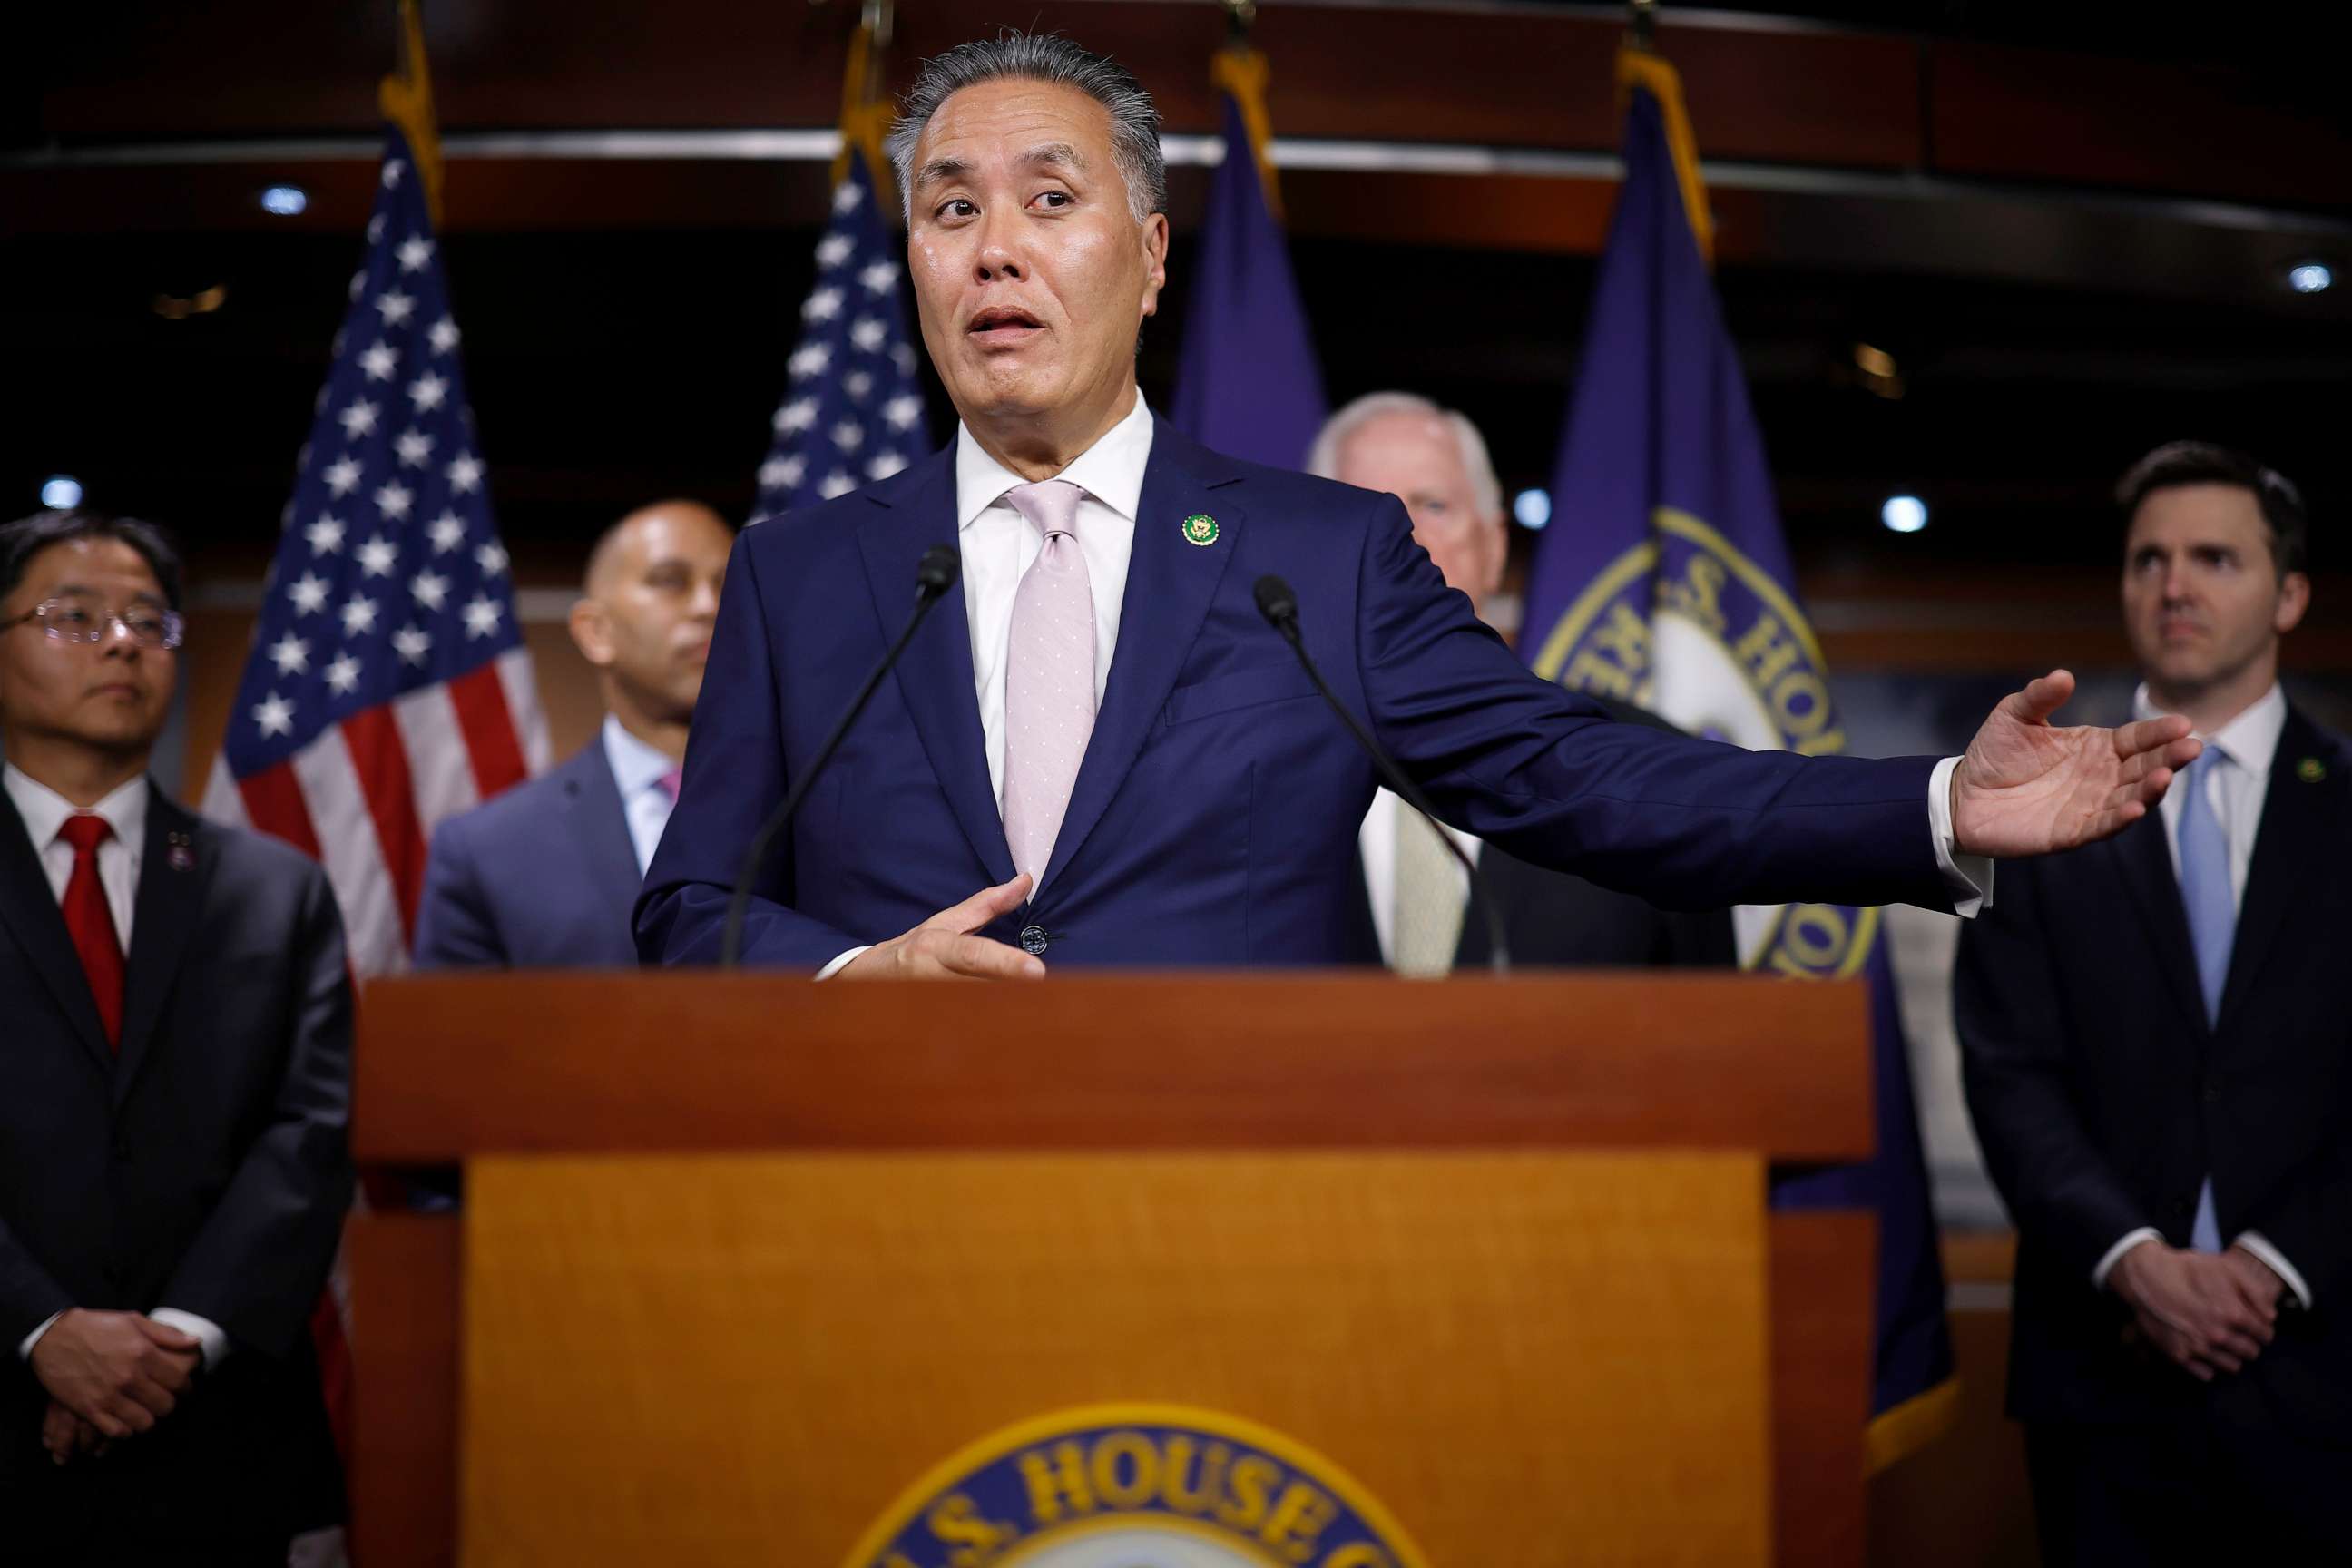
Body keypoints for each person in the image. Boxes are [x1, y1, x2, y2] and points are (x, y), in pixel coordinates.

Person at [637, 32, 2197, 979]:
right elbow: (689, 906)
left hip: (1264, 1213)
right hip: (887, 1208)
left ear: (1153, 256)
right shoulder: (802, 572)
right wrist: (848, 966)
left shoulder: (1313, 561)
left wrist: (1930, 804)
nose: (993, 248)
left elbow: (1592, 780)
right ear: (908, 257)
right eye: (948, 208)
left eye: (1050, 200)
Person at [1955, 444, 2347, 1562]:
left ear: (2290, 594)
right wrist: (2133, 1257)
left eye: (2215, 558)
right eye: (2150, 560)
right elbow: (2006, 1071)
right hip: (2102, 1380)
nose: (2174, 584)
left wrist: (2271, 1269)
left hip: (2326, 1373)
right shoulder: (2032, 808)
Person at [0, 510, 352, 1561]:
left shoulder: (274, 888)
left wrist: (172, 1347)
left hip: (216, 1430)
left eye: (151, 622)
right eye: (75, 617)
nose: (122, 643)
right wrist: (40, 1331)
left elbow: (310, 1133)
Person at [1309, 391, 1733, 972]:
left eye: (1433, 505)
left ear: (1494, 545)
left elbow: (1716, 1030)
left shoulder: (1643, 767)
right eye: (1365, 508)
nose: (1401, 539)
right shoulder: (1241, 765)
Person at [416, 499, 731, 967]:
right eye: (671, 581)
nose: (709, 606)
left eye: (728, 585)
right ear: (595, 631)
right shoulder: (487, 853)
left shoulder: (821, 816)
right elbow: (455, 1040)